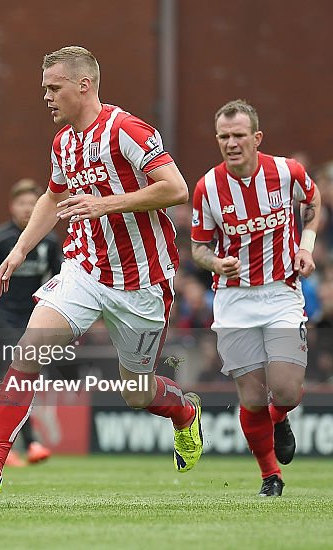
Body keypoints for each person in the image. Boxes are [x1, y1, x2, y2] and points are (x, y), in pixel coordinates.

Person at [0, 46, 203, 504]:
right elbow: (52, 196)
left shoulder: (127, 130)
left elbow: (177, 188)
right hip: (83, 270)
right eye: (44, 88)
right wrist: (20, 249)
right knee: (26, 354)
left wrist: (104, 203)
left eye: (53, 87)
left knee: (137, 394)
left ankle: (183, 411)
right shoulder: (63, 141)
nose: (46, 96)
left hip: (141, 283)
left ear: (84, 85)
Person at [190, 99, 321, 497]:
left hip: (281, 292)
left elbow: (313, 206)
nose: (231, 143)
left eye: (239, 135)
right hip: (234, 299)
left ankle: (278, 418)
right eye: (224, 136)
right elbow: (198, 249)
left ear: (256, 137)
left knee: (284, 391)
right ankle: (271, 475)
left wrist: (307, 246)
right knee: (250, 397)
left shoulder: (287, 172)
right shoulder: (207, 187)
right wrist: (216, 263)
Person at [0, 178, 62, 465]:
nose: (27, 209)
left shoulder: (49, 240)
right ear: (12, 207)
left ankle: (6, 446)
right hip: (2, 314)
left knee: (13, 377)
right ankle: (29, 443)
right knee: (18, 368)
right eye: (22, 204)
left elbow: (60, 275)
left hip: (32, 314)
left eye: (33, 204)